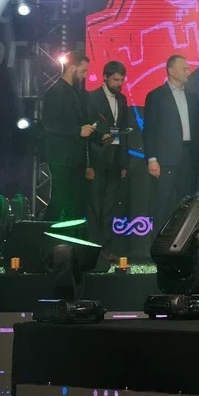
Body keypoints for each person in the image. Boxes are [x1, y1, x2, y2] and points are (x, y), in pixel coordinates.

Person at [143, 55, 199, 237]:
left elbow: (197, 129)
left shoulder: (192, 97)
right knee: (163, 204)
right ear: (171, 70)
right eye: (184, 68)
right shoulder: (156, 96)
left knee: (187, 204)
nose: (188, 71)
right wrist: (152, 158)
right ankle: (159, 245)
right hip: (165, 160)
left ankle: (183, 244)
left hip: (189, 158)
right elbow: (149, 129)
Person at [42, 52, 94, 222]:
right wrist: (78, 130)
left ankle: (70, 236)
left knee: (75, 203)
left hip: (76, 157)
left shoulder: (76, 92)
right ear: (72, 68)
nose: (85, 75)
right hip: (61, 157)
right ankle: (43, 234)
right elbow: (50, 124)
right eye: (83, 71)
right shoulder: (55, 91)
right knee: (59, 200)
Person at [86, 60, 130, 253]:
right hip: (97, 159)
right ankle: (92, 248)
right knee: (95, 206)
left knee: (110, 206)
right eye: (116, 80)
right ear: (105, 77)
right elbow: (87, 132)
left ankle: (106, 249)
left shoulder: (122, 100)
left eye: (122, 80)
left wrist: (123, 163)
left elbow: (123, 132)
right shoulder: (92, 98)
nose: (119, 83)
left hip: (115, 160)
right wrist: (89, 163)